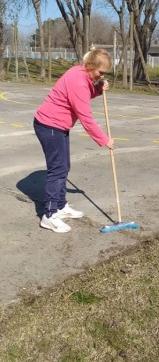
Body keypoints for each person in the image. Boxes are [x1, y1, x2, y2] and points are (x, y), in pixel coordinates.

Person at [34, 48, 114, 233]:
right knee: (58, 169)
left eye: (104, 74)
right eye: (100, 72)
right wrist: (104, 139)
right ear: (90, 65)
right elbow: (85, 116)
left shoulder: (81, 74)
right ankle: (49, 215)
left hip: (58, 126)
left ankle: (61, 206)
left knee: (64, 167)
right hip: (49, 125)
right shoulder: (78, 80)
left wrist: (97, 88)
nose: (101, 76)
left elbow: (84, 93)